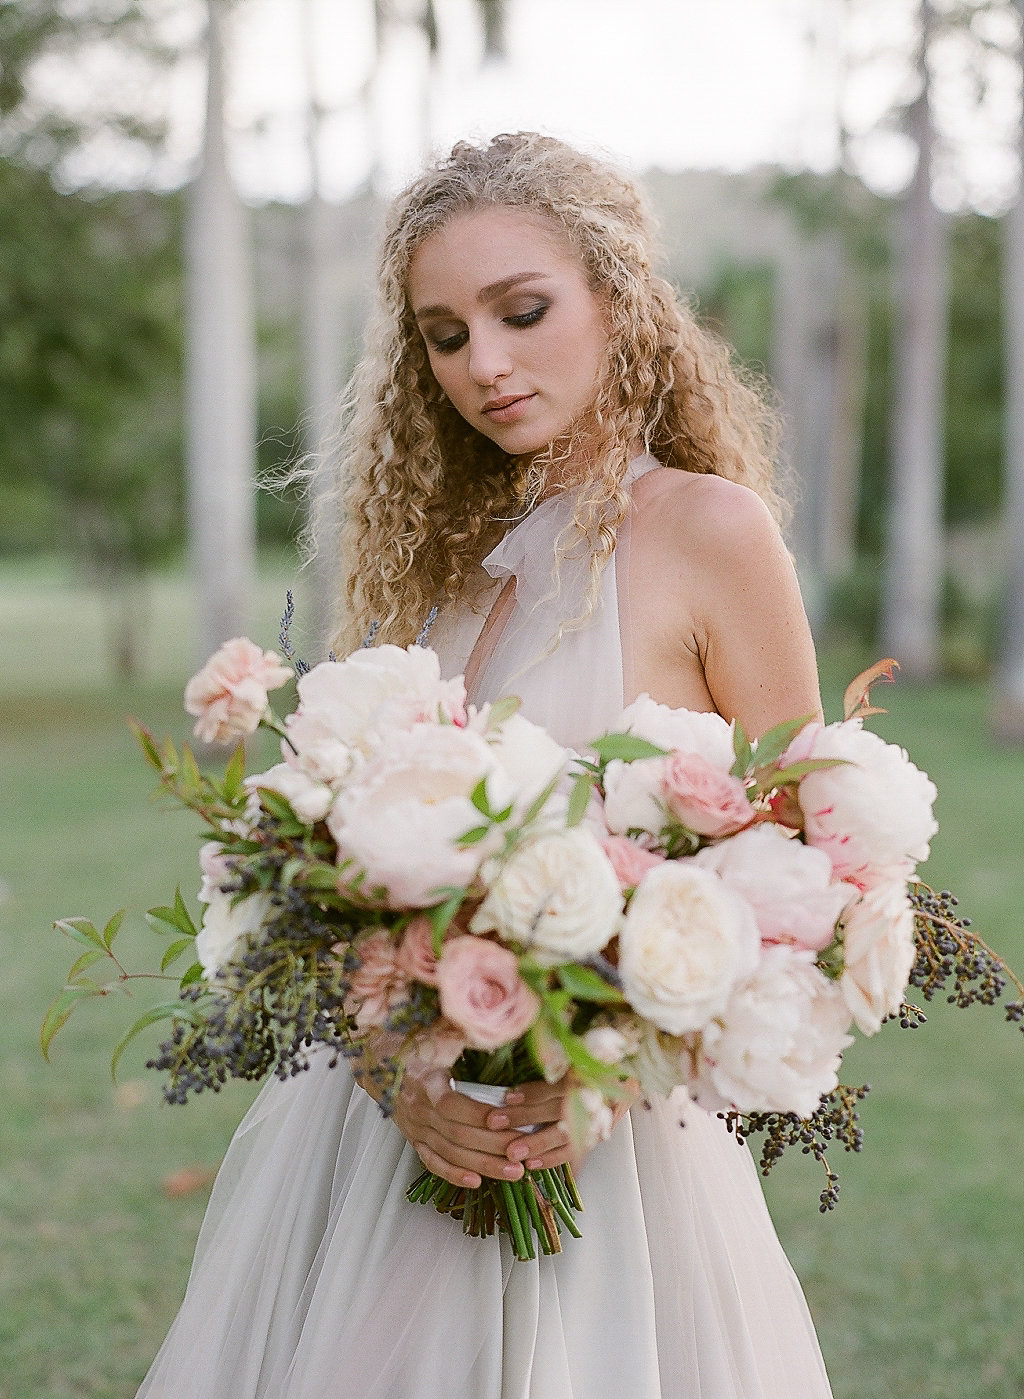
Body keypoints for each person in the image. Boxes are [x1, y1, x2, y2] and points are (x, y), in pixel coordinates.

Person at [138, 133, 833, 1398]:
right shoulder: (443, 568)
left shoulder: (709, 534)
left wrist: (598, 1054)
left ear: (616, 298)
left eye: (522, 311)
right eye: (445, 336)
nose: (486, 365)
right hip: (386, 1140)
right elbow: (353, 875)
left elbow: (802, 857)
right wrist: (395, 1068)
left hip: (613, 1153)